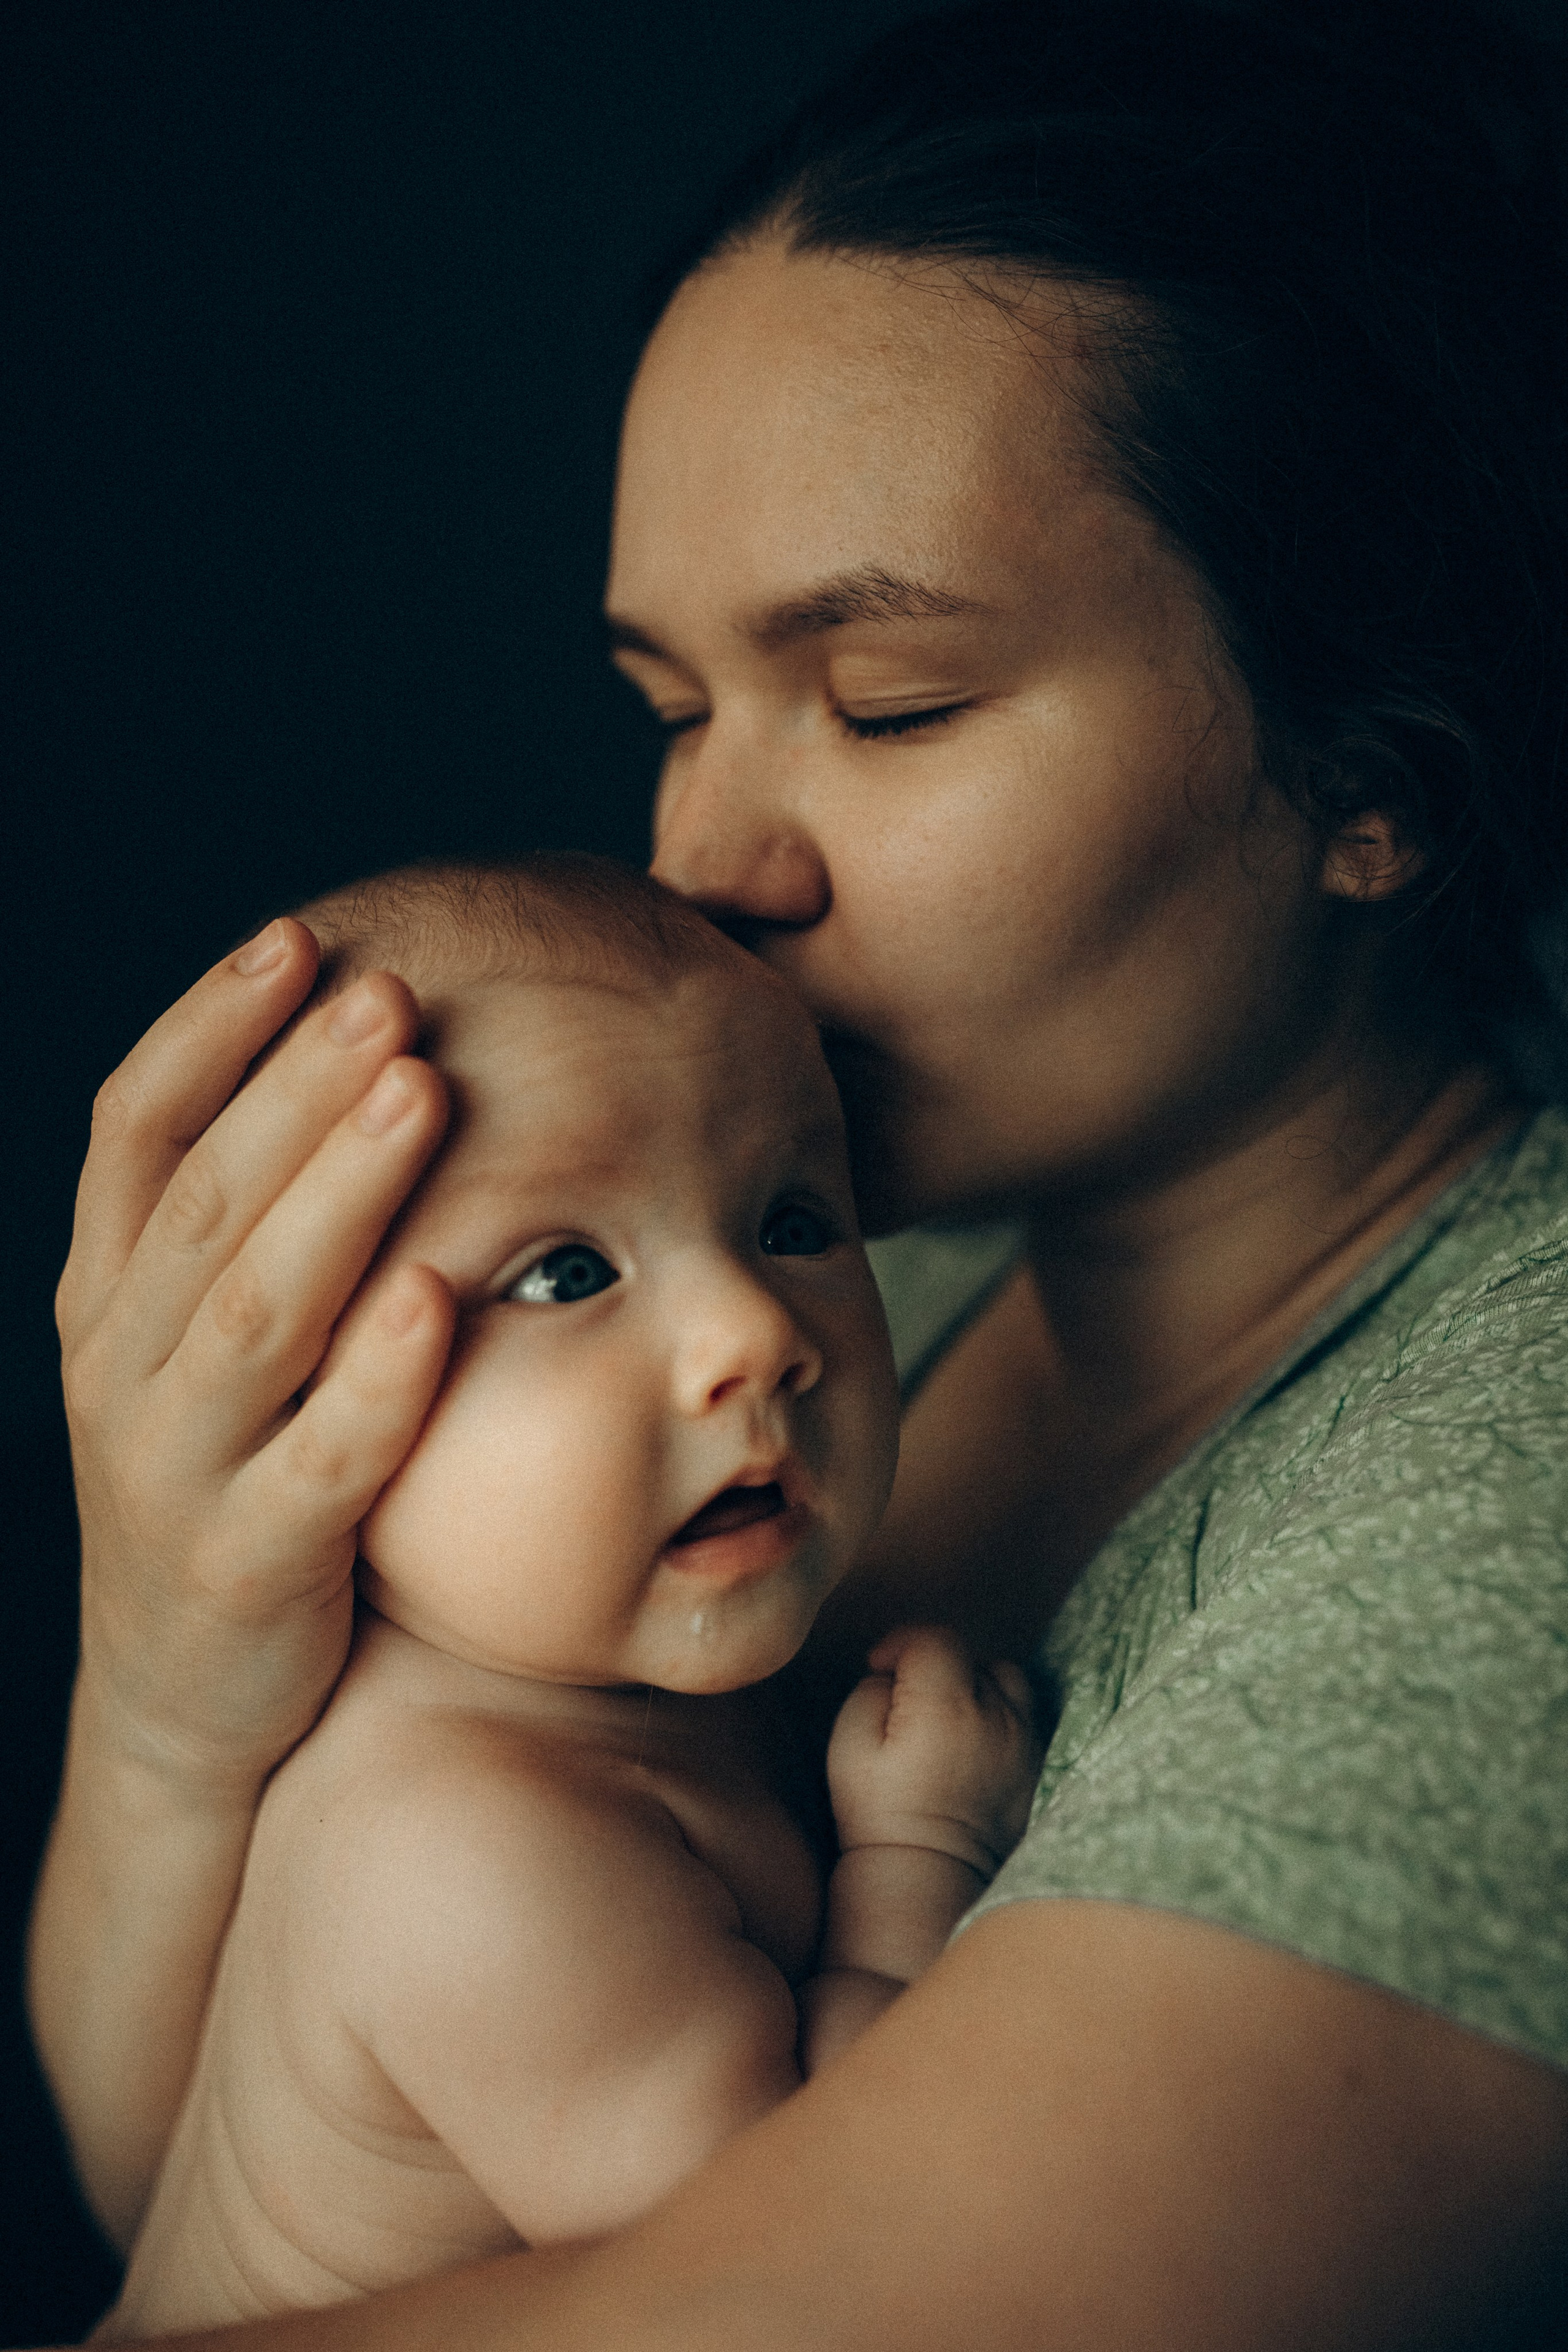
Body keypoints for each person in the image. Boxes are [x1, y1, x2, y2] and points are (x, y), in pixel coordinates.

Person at [29, 2, 1568, 2344]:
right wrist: (169, 1688)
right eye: (673, 710)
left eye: (886, 707)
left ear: (1382, 790)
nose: (708, 860)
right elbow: (249, 2172)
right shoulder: (857, 1275)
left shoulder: (1508, 1467)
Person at [97, 854, 1037, 2337]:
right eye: (561, 1274)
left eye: (794, 1221)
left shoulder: (587, 1679)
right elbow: (811, 2245)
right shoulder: (472, 1854)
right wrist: (920, 1857)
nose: (753, 1331)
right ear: (296, 1404)